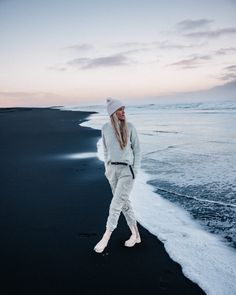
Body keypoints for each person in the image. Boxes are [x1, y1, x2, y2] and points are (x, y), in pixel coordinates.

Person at [94, 97, 142, 253]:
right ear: (113, 112)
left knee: (115, 205)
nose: (123, 112)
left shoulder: (130, 127)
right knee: (124, 203)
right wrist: (106, 167)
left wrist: (134, 170)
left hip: (127, 172)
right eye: (120, 109)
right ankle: (136, 234)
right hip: (112, 171)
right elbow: (106, 149)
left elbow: (138, 151)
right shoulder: (105, 128)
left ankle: (106, 237)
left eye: (124, 109)